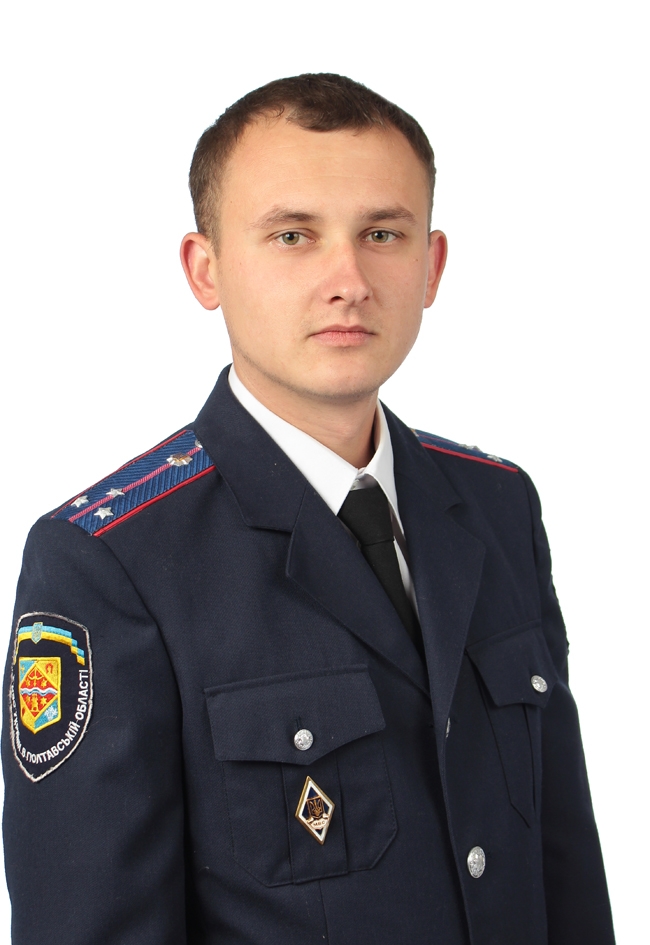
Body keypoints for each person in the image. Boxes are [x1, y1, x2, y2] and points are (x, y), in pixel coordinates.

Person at [2, 73, 615, 944]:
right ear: (205, 268)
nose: (348, 279)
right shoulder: (110, 564)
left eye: (382, 233)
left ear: (432, 266)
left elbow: (565, 872)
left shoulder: (497, 504)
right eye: (293, 235)